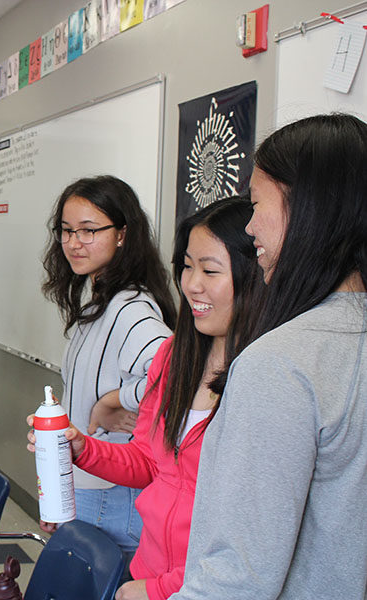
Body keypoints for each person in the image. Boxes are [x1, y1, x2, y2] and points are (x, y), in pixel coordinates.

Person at [171, 114, 367, 599]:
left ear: (310, 209)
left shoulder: (281, 364)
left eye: (258, 204)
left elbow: (238, 577)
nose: (251, 226)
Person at [29, 197, 261, 600]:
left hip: (201, 587)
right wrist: (82, 447)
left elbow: (253, 538)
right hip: (149, 571)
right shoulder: (177, 356)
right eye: (187, 266)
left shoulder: (266, 375)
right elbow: (149, 462)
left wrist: (155, 590)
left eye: (210, 270)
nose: (192, 284)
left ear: (255, 273)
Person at [35, 175, 176, 560]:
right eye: (66, 231)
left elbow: (173, 369)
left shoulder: (130, 308)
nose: (74, 243)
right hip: (89, 484)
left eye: (89, 230)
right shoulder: (100, 301)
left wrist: (112, 401)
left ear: (122, 235)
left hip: (112, 493)